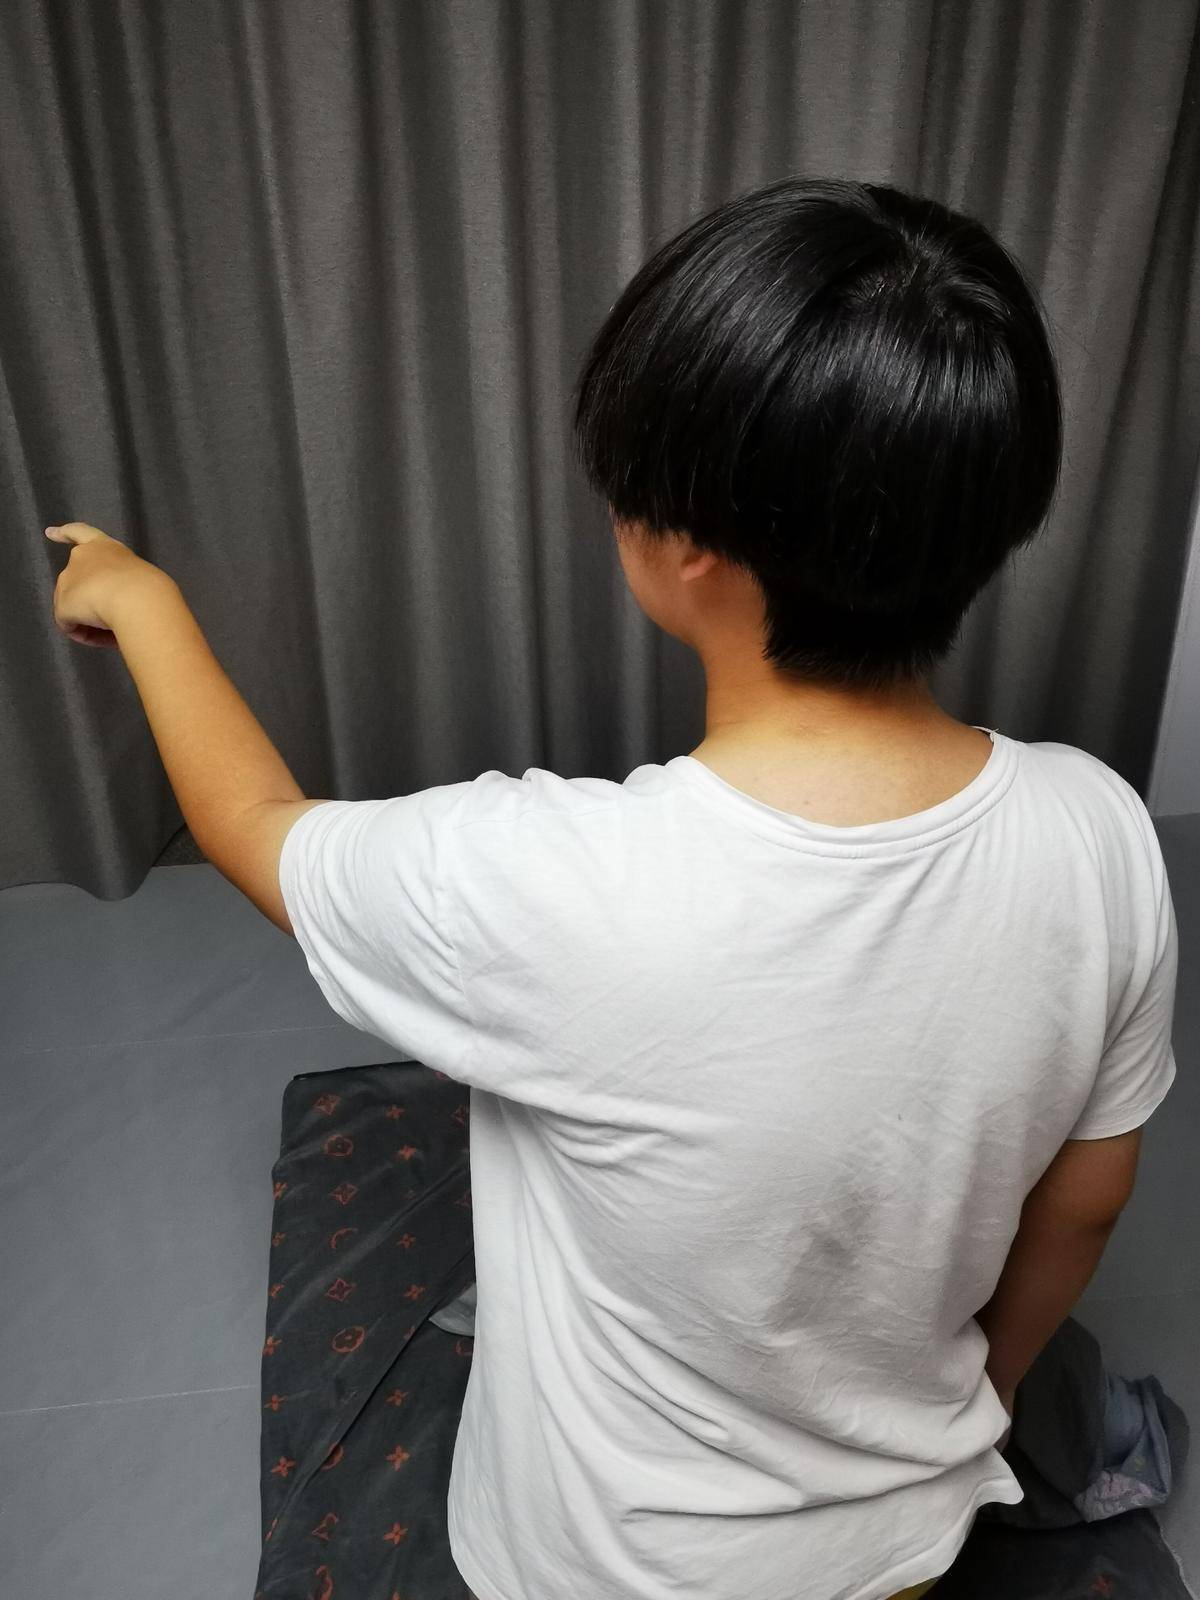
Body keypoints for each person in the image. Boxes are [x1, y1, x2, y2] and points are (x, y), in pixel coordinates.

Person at [278, 176, 1176, 1600]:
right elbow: (1086, 1204)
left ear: (686, 540)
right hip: (906, 1552)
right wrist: (976, 1407)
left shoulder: (537, 880)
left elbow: (257, 831)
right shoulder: (1104, 830)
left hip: (602, 1570)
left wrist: (142, 606)